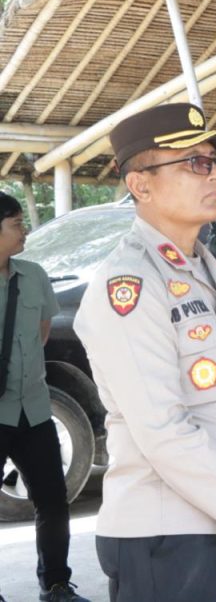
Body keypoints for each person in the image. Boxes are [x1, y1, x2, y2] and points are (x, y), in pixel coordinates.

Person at [74, 103, 216, 601]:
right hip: (169, 538)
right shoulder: (130, 284)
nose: (215, 174)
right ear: (140, 185)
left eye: (215, 163)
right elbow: (163, 430)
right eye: (195, 163)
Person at [0, 194, 88, 602]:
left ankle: (56, 584)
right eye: (16, 224)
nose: (25, 231)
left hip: (34, 408)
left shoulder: (33, 275)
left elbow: (42, 331)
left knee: (53, 500)